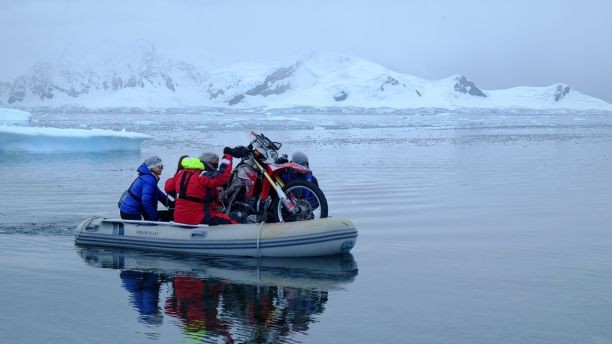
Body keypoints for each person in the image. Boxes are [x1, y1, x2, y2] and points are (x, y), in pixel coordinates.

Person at [165, 147, 242, 225]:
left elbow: (168, 187)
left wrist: (183, 196)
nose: (216, 169)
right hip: (199, 218)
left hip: (179, 217)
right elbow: (223, 175)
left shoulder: (181, 173)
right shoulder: (203, 175)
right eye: (215, 165)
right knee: (237, 218)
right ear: (206, 163)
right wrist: (228, 155)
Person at [118, 155, 170, 221]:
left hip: (125, 211)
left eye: (162, 166)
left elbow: (158, 193)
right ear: (152, 167)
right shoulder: (149, 180)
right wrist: (155, 218)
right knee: (159, 217)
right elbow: (146, 202)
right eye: (160, 166)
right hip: (132, 213)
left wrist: (170, 203)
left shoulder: (147, 177)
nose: (162, 168)